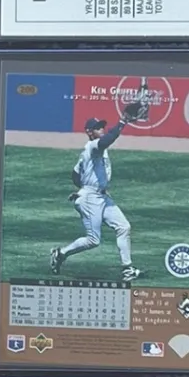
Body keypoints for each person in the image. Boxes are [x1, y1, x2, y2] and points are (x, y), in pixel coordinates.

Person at [49, 113, 142, 283]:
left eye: (102, 127)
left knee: (123, 227)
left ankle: (127, 269)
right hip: (91, 198)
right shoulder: (93, 146)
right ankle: (60, 254)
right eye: (98, 128)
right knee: (93, 240)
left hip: (100, 196)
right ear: (89, 132)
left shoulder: (95, 151)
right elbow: (107, 140)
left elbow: (75, 174)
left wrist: (83, 188)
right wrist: (122, 122)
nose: (102, 129)